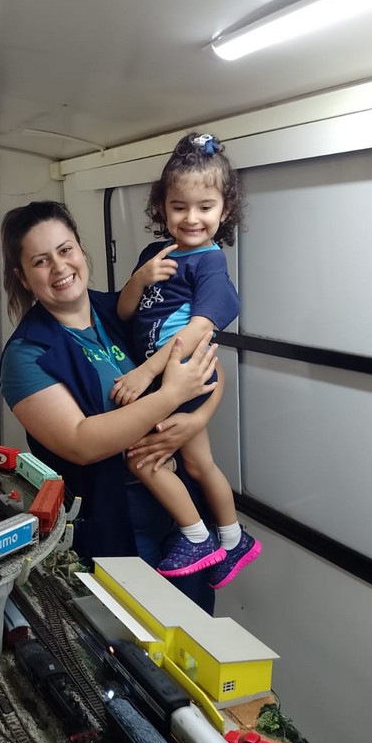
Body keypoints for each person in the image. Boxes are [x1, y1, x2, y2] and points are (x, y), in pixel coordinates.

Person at [0, 199, 222, 613]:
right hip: (116, 522)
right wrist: (170, 397)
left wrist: (196, 421)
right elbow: (81, 443)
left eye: (65, 250)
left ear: (80, 250)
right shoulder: (28, 355)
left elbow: (205, 360)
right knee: (135, 638)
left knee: (194, 627)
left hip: (182, 510)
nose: (60, 267)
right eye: (41, 261)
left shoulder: (126, 310)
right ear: (23, 277)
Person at [111, 132, 261, 588]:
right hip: (168, 382)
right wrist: (140, 278)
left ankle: (199, 536)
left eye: (205, 207)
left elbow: (199, 330)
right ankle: (232, 539)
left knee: (144, 461)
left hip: (181, 378)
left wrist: (146, 372)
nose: (191, 218)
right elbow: (124, 312)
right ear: (163, 208)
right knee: (196, 464)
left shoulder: (210, 264)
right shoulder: (153, 256)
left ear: (225, 210)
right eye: (179, 207)